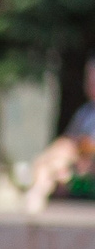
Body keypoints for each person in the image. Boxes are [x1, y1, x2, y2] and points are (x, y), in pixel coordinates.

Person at [23, 54, 95, 212]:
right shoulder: (86, 112)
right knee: (54, 158)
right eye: (88, 76)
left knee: (58, 157)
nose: (90, 82)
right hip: (76, 168)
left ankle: (37, 193)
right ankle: (37, 192)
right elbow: (69, 142)